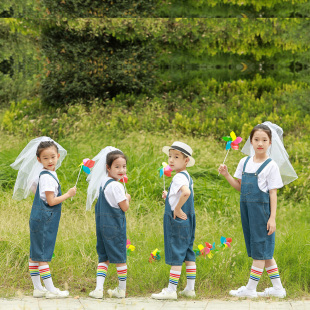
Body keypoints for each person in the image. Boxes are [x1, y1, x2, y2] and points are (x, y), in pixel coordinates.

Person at [218, 122, 297, 298]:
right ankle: (278, 289)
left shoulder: (271, 165)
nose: (260, 143)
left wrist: (272, 218)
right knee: (262, 250)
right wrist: (226, 175)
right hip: (247, 211)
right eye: (256, 139)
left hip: (262, 212)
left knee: (260, 249)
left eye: (264, 140)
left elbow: (273, 193)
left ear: (270, 143)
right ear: (250, 142)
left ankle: (250, 289)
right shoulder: (244, 162)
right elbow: (240, 187)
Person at [11, 137, 76, 298]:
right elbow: (51, 201)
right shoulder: (47, 176)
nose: (50, 160)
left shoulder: (46, 173)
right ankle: (51, 289)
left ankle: (38, 288)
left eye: (53, 157)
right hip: (45, 220)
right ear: (39, 159)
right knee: (42, 255)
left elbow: (36, 190)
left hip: (38, 217)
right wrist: (68, 194)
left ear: (58, 156)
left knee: (35, 253)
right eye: (45, 158)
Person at [152, 141, 196, 300]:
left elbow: (185, 193)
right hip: (189, 220)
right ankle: (190, 289)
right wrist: (170, 195)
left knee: (176, 252)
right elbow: (182, 193)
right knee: (188, 253)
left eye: (176, 157)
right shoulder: (186, 176)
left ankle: (171, 290)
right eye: (170, 156)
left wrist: (176, 208)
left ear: (186, 161)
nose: (171, 160)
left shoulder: (178, 177)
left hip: (177, 220)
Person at [86, 147, 131, 299]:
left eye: (124, 166)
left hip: (101, 227)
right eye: (117, 167)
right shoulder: (116, 186)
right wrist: (127, 198)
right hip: (114, 227)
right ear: (108, 167)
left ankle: (99, 289)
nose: (121, 170)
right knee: (119, 258)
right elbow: (124, 207)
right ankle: (121, 289)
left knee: (103, 257)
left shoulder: (103, 183)